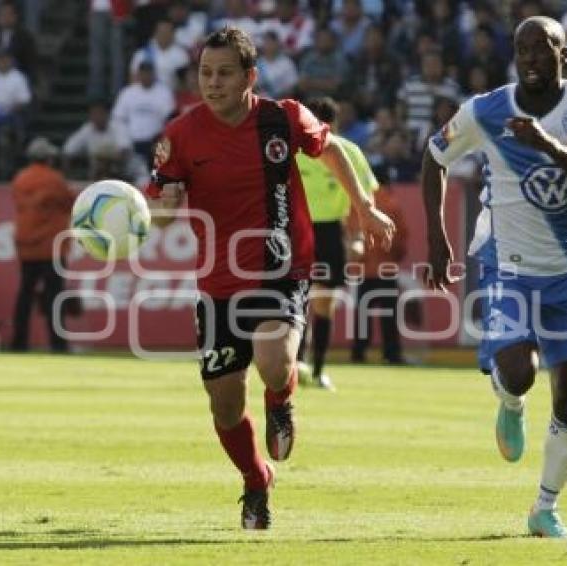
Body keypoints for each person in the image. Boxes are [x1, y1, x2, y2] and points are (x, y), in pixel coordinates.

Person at [145, 27, 394, 530]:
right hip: (218, 281)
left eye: (224, 74)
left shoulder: (282, 117)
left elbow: (332, 150)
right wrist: (160, 209)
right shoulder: (179, 136)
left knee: (274, 361)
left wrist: (362, 206)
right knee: (224, 402)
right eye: (205, 73)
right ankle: (255, 479)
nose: (212, 83)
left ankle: (280, 401)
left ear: (250, 77)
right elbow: (164, 210)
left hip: (282, 266)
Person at [421, 16, 567, 539]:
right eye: (523, 49)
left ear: (564, 55)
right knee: (520, 371)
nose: (532, 57)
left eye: (544, 47)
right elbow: (434, 156)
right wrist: (438, 240)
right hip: (507, 266)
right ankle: (510, 401)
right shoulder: (487, 110)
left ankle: (545, 508)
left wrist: (549, 146)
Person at [295, 96, 378, 390]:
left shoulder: (348, 153)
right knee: (297, 301)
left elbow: (365, 198)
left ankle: (317, 371)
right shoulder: (292, 151)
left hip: (330, 231)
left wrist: (356, 237)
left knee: (323, 303)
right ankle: (295, 366)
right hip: (295, 229)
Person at [10, 138, 75, 353]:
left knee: (25, 295)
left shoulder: (20, 179)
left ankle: (19, 342)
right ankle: (58, 344)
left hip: (26, 246)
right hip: (51, 247)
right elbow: (70, 202)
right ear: (49, 157)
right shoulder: (54, 179)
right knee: (54, 296)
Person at [350, 166, 409, 365]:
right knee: (389, 316)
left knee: (362, 315)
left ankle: (358, 353)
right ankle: (391, 354)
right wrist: (394, 257)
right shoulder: (392, 204)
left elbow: (352, 233)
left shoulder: (359, 204)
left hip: (364, 269)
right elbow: (401, 239)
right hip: (386, 269)